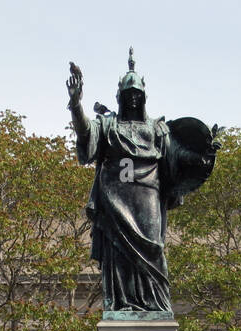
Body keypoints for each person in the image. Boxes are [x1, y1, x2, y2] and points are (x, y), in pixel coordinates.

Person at [67, 49, 219, 313]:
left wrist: (203, 156)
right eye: (129, 95)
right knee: (118, 256)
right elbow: (85, 133)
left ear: (144, 97)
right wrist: (77, 104)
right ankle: (121, 305)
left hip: (148, 196)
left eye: (138, 95)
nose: (134, 99)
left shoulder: (157, 128)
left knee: (153, 250)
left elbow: (179, 156)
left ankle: (155, 306)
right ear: (121, 98)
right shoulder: (108, 125)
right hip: (114, 197)